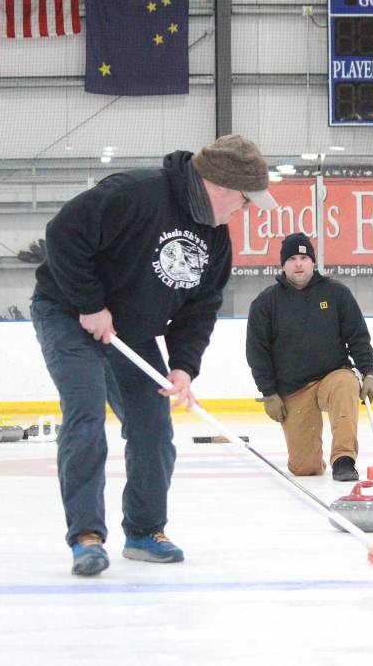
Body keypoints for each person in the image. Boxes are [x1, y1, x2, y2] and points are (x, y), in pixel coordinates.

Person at [30, 135, 277, 576]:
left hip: (132, 332)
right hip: (69, 312)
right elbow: (64, 233)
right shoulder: (135, 194)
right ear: (220, 186)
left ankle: (145, 531)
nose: (246, 210)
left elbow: (200, 308)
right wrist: (89, 303)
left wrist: (183, 367)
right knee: (86, 413)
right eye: (245, 200)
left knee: (153, 427)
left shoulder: (216, 240)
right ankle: (87, 537)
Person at [245, 232, 373, 482]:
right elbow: (256, 352)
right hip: (293, 389)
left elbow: (358, 336)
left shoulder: (336, 294)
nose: (298, 263)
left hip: (332, 377)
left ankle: (344, 459)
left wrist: (368, 373)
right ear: (283, 264)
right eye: (292, 258)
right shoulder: (265, 303)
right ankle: (314, 458)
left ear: (313, 262)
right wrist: (269, 393)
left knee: (346, 383)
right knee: (305, 468)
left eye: (304, 257)